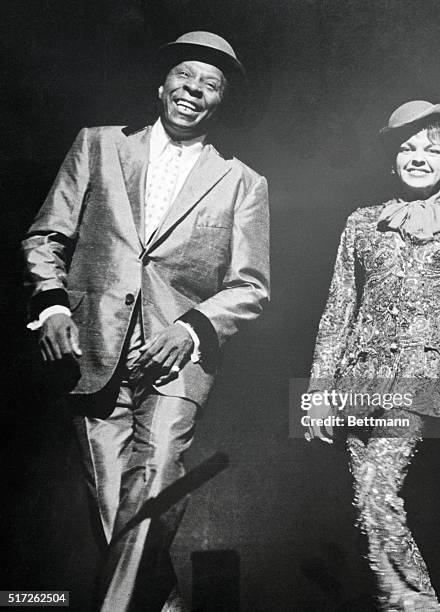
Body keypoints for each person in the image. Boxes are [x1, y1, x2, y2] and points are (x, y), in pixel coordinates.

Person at [22, 31, 269, 612]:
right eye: (186, 77)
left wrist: (190, 329)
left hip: (177, 359)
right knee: (117, 515)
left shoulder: (243, 182)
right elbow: (44, 236)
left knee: (155, 476)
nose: (194, 90)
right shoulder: (98, 144)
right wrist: (53, 304)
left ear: (221, 101)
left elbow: (251, 287)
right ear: (161, 86)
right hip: (91, 353)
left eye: (211, 85)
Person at [306, 100, 440, 610]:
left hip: (424, 376)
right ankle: (403, 603)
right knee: (366, 507)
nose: (418, 158)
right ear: (391, 160)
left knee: (377, 491)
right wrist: (318, 393)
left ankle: (418, 605)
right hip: (356, 380)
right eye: (407, 149)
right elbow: (338, 310)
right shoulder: (361, 223)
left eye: (431, 151)